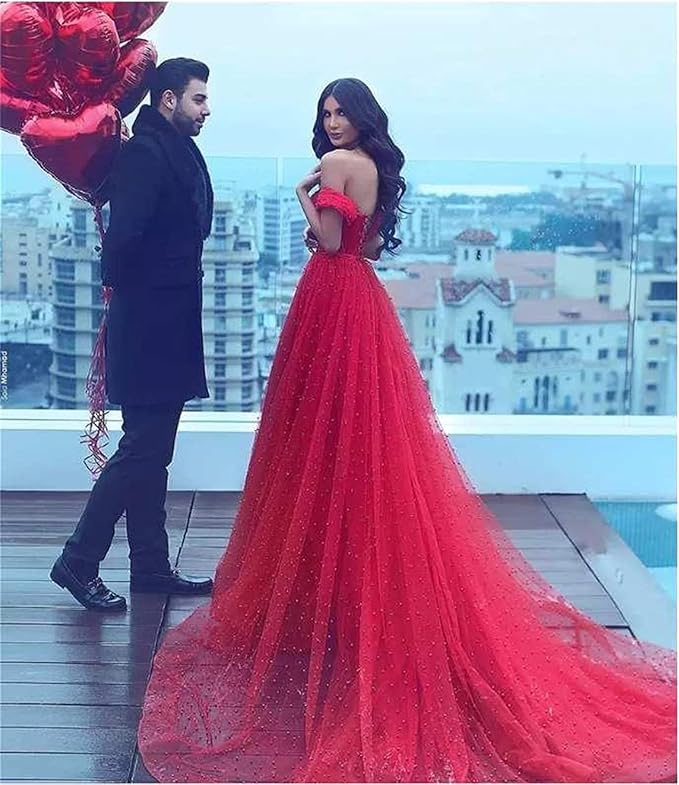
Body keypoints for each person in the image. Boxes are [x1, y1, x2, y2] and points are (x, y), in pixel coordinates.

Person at [138, 78, 676, 782]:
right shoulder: (376, 171)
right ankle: (353, 599)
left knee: (313, 447)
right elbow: (364, 248)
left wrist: (306, 196)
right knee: (367, 450)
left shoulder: (334, 168)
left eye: (339, 112)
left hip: (329, 301)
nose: (329, 123)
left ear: (359, 118)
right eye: (323, 113)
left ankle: (321, 603)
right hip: (362, 305)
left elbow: (329, 244)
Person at [50, 58, 215, 611]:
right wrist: (146, 300)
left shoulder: (168, 146)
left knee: (153, 450)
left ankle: (149, 565)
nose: (206, 109)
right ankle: (79, 559)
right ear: (167, 100)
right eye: (198, 99)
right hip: (150, 323)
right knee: (141, 448)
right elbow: (122, 243)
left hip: (163, 319)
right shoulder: (146, 153)